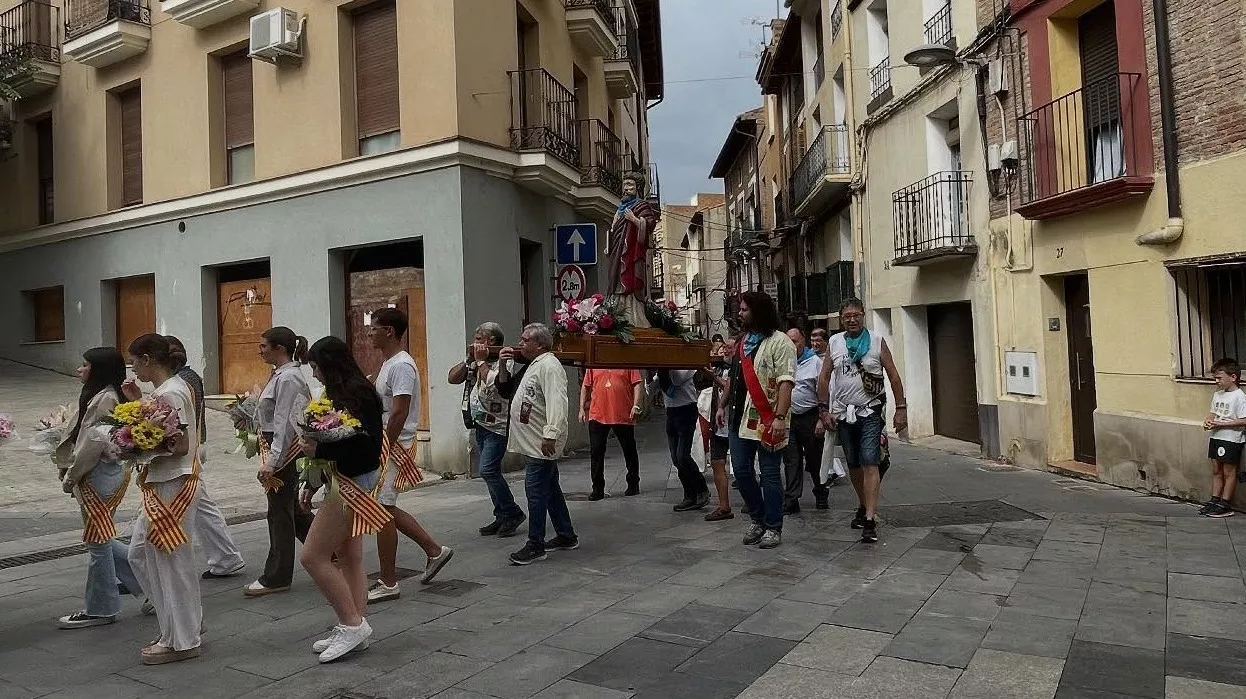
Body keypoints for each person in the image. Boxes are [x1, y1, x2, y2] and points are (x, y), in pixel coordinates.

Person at [297, 336, 389, 662]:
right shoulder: (342, 392)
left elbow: (365, 448)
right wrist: (313, 479)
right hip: (345, 479)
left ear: (329, 365)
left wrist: (319, 449)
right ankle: (353, 624)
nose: (315, 374)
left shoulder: (356, 394)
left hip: (353, 483)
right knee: (349, 558)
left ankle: (352, 625)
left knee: (313, 556)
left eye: (316, 367)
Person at [123, 333, 204, 665]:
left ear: (146, 359)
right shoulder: (166, 390)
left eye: (134, 361)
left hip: (173, 482)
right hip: (164, 480)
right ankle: (181, 624)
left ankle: (182, 638)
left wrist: (132, 447)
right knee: (142, 553)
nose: (132, 369)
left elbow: (180, 444)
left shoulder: (171, 392)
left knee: (171, 561)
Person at [365, 308, 453, 603]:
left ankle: (389, 580)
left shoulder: (402, 365)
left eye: (374, 328)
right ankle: (434, 550)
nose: (369, 333)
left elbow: (400, 410)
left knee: (381, 511)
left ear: (389, 331)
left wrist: (386, 445)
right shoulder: (389, 363)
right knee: (385, 508)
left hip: (395, 445)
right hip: (387, 443)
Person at [56, 347, 146, 629]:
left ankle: (101, 608)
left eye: (85, 365)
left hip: (98, 476)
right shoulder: (104, 394)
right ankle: (152, 587)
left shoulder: (105, 397)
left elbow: (92, 444)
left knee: (97, 544)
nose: (80, 370)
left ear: (98, 369)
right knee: (102, 539)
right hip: (105, 474)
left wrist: (71, 476)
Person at [817, 298, 908, 544]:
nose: (852, 320)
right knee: (854, 463)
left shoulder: (877, 341)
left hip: (871, 412)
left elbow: (894, 377)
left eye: (856, 315)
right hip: (844, 414)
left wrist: (901, 409)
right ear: (841, 318)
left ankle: (869, 519)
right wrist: (823, 410)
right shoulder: (835, 343)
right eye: (847, 316)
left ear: (863, 315)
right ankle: (862, 504)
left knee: (870, 460)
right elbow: (824, 378)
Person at [164, 336, 247, 580]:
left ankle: (225, 557)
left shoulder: (181, 381)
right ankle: (225, 557)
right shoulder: (188, 378)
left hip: (188, 449)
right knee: (202, 507)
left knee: (196, 506)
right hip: (196, 446)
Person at [719, 292, 796, 549]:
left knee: (770, 474)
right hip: (738, 419)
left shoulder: (780, 342)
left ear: (758, 311)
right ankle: (757, 517)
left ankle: (773, 526)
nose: (739, 314)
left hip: (768, 419)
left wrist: (780, 417)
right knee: (741, 471)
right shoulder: (742, 343)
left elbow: (786, 382)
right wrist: (722, 405)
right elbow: (734, 378)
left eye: (744, 310)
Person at [497, 323, 577, 565]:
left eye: (525, 340)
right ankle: (565, 534)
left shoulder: (550, 366)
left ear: (539, 344)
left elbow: (557, 403)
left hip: (541, 443)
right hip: (534, 441)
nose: (520, 343)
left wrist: (551, 433)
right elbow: (507, 389)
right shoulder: (535, 365)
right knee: (550, 489)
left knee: (535, 492)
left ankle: (535, 544)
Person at [244, 327, 315, 597]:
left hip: (283, 448)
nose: (260, 350)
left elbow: (285, 422)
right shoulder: (282, 375)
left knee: (278, 512)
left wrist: (273, 462)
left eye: (264, 346)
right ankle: (330, 550)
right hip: (277, 445)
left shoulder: (289, 378)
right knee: (292, 509)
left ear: (279, 349)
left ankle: (277, 575)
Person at [448, 322, 527, 536]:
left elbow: (493, 385)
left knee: (488, 470)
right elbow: (452, 378)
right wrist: (469, 360)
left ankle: (512, 513)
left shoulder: (504, 359)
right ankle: (501, 515)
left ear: (490, 341)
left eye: (478, 337)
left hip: (497, 425)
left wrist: (481, 360)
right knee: (488, 473)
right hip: (479, 423)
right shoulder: (475, 360)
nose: (474, 341)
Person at [603, 172, 661, 327]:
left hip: (632, 252)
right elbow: (615, 230)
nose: (626, 189)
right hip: (618, 251)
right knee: (615, 278)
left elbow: (650, 224)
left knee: (630, 278)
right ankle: (617, 310)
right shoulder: (620, 209)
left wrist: (634, 220)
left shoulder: (641, 205)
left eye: (630, 185)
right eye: (625, 185)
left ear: (638, 188)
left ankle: (634, 315)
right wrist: (609, 245)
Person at [783, 327, 830, 513]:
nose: (792, 345)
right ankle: (792, 499)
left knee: (815, 459)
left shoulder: (815, 363)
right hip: (789, 417)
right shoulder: (784, 361)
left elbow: (824, 391)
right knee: (791, 460)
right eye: (789, 341)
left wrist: (821, 417)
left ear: (803, 341)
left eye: (795, 341)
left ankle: (821, 493)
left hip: (810, 416)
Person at [580, 368, 644, 500]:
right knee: (596, 452)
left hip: (623, 414)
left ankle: (633, 483)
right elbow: (585, 386)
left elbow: (637, 383)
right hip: (597, 414)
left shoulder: (625, 360)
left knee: (629, 451)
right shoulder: (594, 363)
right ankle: (597, 489)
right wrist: (581, 408)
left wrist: (635, 405)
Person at [660, 368, 711, 512]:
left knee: (683, 455)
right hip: (671, 411)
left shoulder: (686, 365)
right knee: (676, 459)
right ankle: (689, 495)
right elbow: (652, 387)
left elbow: (677, 379)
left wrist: (662, 370)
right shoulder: (664, 371)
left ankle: (702, 490)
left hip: (686, 410)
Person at [1201, 358, 1246, 517]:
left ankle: (1225, 503)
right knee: (1216, 469)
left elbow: (1243, 420)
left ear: (1233, 377)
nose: (1216, 381)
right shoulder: (1217, 395)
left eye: (1219, 378)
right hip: (1216, 436)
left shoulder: (1239, 396)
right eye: (1215, 378)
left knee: (1229, 471)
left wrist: (1221, 425)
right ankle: (1215, 499)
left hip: (1231, 438)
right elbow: (1213, 413)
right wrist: (1209, 420)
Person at [704, 336, 737, 522]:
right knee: (717, 462)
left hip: (735, 422)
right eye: (724, 347)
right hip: (718, 425)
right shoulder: (718, 367)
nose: (725, 350)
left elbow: (730, 388)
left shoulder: (739, 368)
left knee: (742, 467)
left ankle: (752, 501)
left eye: (730, 348)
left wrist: (714, 377)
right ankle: (724, 506)